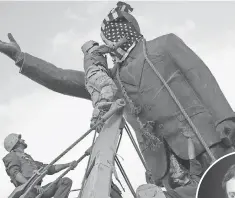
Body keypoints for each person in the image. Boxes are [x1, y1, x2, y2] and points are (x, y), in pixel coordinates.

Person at [99, 1, 235, 197]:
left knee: (226, 186)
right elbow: (66, 79)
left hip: (205, 138)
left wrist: (225, 117)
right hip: (166, 165)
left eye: (110, 36)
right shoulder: (112, 81)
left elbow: (199, 75)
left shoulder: (164, 44)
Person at [2, 133, 78, 198]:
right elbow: (15, 174)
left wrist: (68, 165)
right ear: (15, 142)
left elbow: (50, 168)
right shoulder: (12, 156)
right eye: (20, 139)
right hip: (27, 193)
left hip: (39, 190)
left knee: (65, 181)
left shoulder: (28, 159)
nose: (23, 140)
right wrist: (32, 185)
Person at [81, 40, 118, 131]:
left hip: (90, 80)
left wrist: (116, 62)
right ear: (91, 47)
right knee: (108, 86)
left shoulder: (88, 59)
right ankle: (103, 108)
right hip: (96, 73)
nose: (97, 46)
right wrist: (121, 42)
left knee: (98, 100)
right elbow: (109, 48)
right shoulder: (95, 51)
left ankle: (95, 120)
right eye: (95, 45)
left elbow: (109, 72)